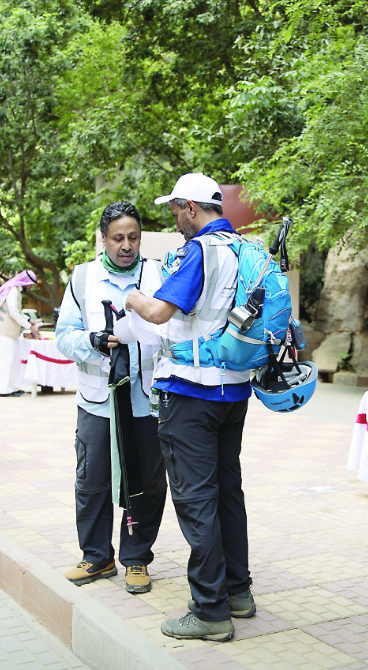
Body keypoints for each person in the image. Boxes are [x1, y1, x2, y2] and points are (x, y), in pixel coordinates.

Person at [125, 173, 255, 642]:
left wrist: (134, 297)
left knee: (195, 497)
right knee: (227, 491)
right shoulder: (245, 249)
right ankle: (238, 591)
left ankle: (210, 610)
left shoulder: (201, 250)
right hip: (234, 389)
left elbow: (160, 313)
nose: (175, 221)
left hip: (190, 390)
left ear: (191, 207)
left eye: (176, 211)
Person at [56, 201, 168, 593]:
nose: (126, 245)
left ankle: (137, 559)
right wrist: (92, 341)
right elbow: (63, 335)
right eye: (118, 238)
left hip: (145, 400)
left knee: (146, 482)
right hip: (97, 401)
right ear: (103, 239)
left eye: (133, 237)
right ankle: (96, 557)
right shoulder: (82, 278)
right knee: (92, 480)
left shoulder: (158, 273)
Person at [0, 271, 36, 397]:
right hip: (3, 330)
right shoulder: (13, 290)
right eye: (31, 284)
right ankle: (3, 389)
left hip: (9, 331)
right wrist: (29, 327)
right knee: (6, 359)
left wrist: (29, 320)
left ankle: (12, 387)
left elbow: (17, 311)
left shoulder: (16, 290)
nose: (31, 287)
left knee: (13, 359)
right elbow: (13, 312)